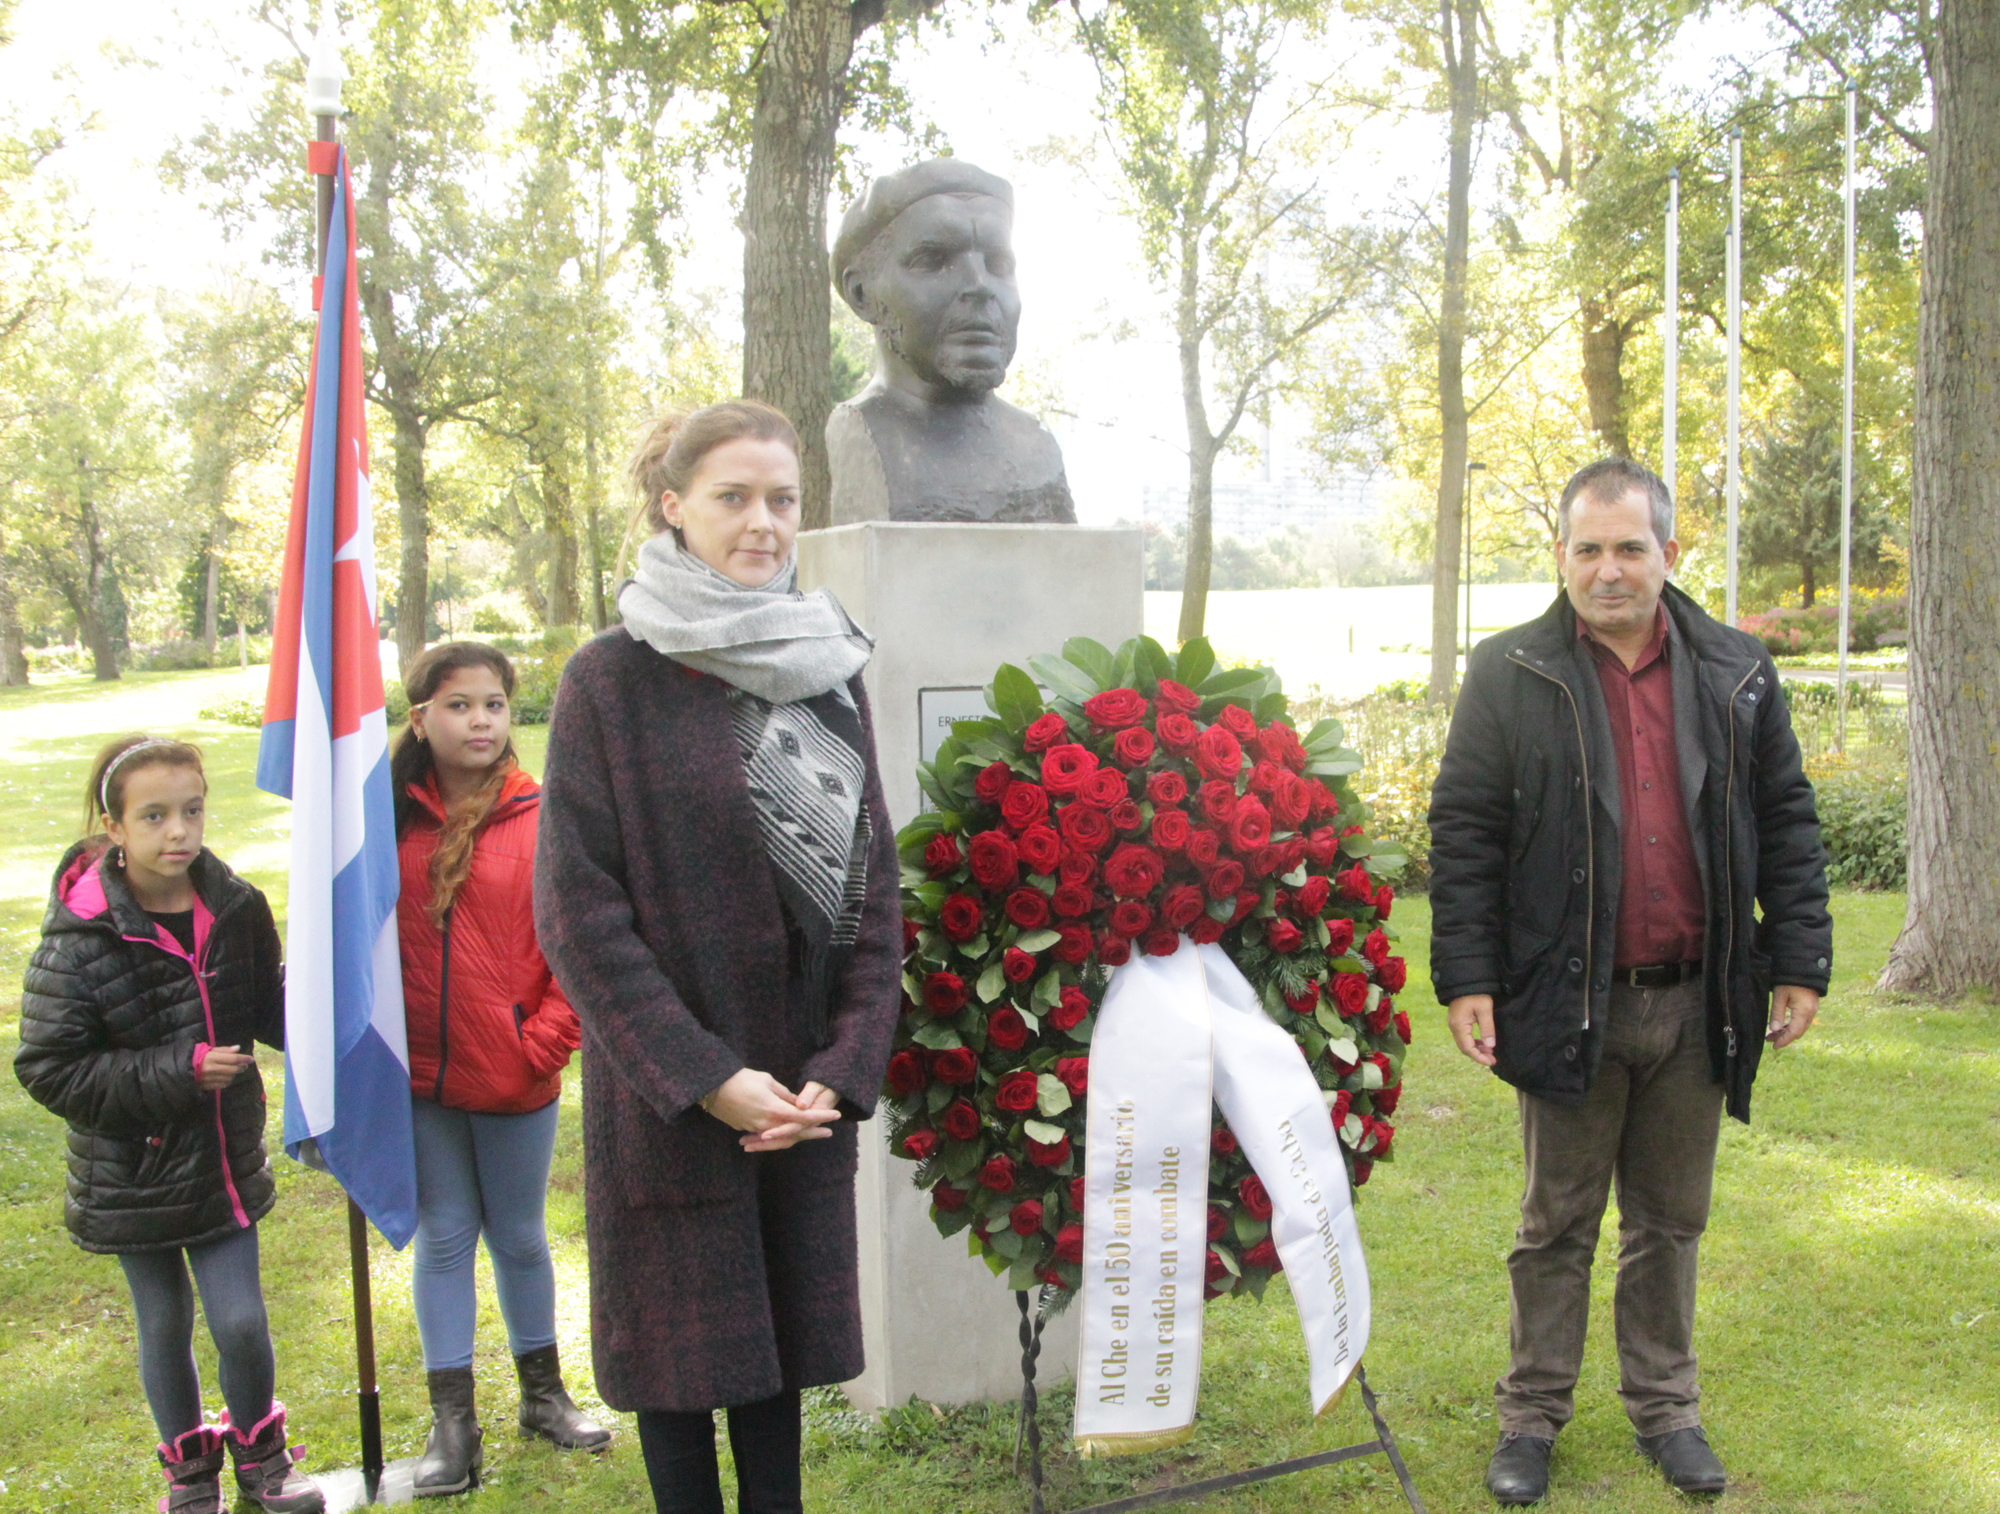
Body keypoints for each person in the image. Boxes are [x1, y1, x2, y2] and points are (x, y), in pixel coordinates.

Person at [1427, 459, 1833, 1505]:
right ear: (1561, 556)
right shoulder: (1508, 670)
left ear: (1667, 552)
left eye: (1628, 547)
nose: (1607, 569)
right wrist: (1467, 975)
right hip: (1567, 997)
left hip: (1700, 999)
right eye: (1587, 549)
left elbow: (1785, 818)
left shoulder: (1735, 668)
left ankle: (1666, 1410)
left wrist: (1799, 959)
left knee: (1670, 1221)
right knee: (1554, 1224)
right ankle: (1529, 1419)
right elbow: (1465, 830)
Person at [534, 399, 904, 1514]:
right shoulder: (609, 679)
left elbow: (871, 892)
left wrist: (839, 1070)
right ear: (673, 506)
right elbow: (577, 914)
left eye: (781, 499)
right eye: (731, 497)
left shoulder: (827, 668)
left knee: (777, 1366)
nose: (761, 522)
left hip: (793, 1094)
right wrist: (705, 1078)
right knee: (682, 1375)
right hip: (672, 1099)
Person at [15, 736, 324, 1514]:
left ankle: (262, 1456)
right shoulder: (78, 938)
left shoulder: (236, 908)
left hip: (221, 1163)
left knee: (241, 1322)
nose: (178, 831)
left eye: (191, 810)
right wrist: (179, 1071)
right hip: (132, 1175)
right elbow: (49, 1067)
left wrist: (336, 1000)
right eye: (153, 816)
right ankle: (190, 1473)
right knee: (163, 1324)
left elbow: (266, 1008)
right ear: (114, 827)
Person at [390, 641, 608, 1496]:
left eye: (493, 704)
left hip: (515, 1072)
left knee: (518, 1235)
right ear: (420, 719)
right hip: (420, 1077)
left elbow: (579, 940)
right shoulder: (385, 818)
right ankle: (453, 1422)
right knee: (444, 1235)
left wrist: (542, 1042)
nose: (479, 721)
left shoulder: (544, 814)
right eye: (458, 705)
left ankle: (544, 1396)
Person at [826, 157, 1076, 525]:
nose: (980, 285)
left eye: (998, 264)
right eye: (933, 260)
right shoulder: (861, 434)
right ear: (862, 293)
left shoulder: (1038, 449)